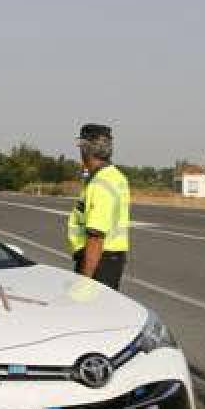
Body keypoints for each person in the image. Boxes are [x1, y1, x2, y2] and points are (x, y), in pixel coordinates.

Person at [67, 123, 131, 290]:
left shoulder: (101, 183)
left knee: (90, 311)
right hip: (108, 261)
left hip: (97, 262)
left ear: (86, 148)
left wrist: (84, 282)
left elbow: (96, 237)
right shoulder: (114, 176)